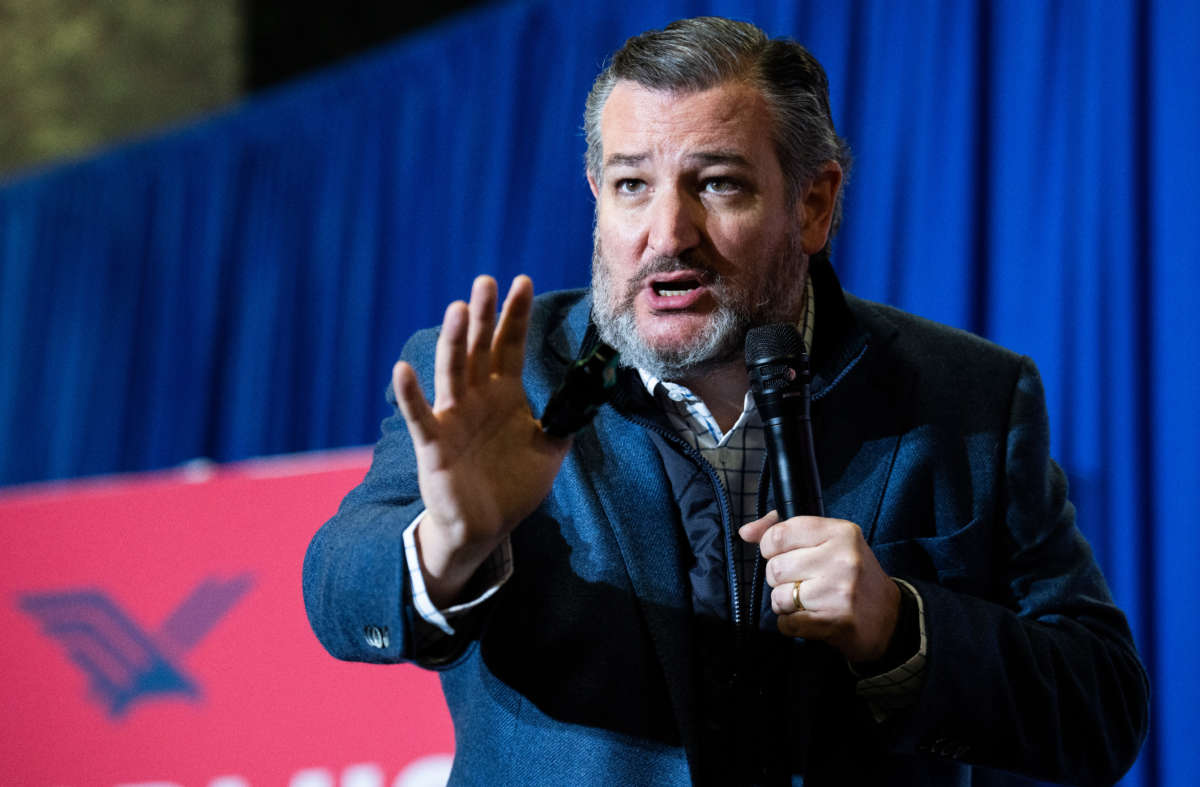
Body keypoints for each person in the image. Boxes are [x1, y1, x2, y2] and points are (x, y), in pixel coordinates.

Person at [303, 17, 1148, 786]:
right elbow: (338, 589)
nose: (667, 233)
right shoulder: (508, 381)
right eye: (632, 184)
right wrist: (451, 540)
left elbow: (1099, 707)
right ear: (596, 195)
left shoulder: (969, 398)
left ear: (813, 204)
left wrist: (901, 626)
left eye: (717, 184)